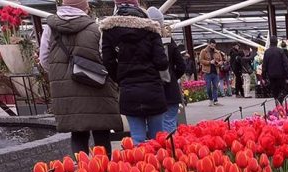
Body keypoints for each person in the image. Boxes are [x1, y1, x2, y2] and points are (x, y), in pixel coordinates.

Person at [39, 0, 122, 156]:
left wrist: (62, 73)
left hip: (64, 89)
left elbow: (44, 59)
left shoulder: (50, 28)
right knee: (101, 130)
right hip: (96, 85)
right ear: (85, 7)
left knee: (77, 133)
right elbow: (104, 56)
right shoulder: (96, 28)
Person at [101, 0, 168, 144]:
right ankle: (159, 166)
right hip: (153, 89)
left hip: (128, 90)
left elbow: (107, 61)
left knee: (137, 139)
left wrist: (120, 78)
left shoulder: (109, 30)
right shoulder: (151, 28)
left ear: (116, 6)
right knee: (158, 139)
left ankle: (141, 166)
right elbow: (162, 63)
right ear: (137, 5)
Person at [146, 7, 185, 134]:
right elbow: (181, 65)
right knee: (169, 124)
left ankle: (158, 152)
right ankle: (170, 150)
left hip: (151, 90)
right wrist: (172, 76)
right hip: (171, 90)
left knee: (154, 128)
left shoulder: (143, 41)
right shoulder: (169, 41)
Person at [262, 36, 288, 105]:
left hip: (271, 75)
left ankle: (277, 101)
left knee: (274, 90)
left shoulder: (267, 52)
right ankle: (280, 100)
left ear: (270, 43)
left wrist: (263, 77)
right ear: (277, 42)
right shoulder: (280, 51)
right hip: (281, 75)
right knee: (283, 89)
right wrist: (287, 76)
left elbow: (264, 65)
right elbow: (285, 64)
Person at [199, 39, 223, 106]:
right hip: (207, 72)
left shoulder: (217, 52)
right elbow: (200, 60)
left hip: (215, 72)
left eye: (214, 45)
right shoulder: (203, 51)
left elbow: (221, 61)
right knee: (208, 87)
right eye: (211, 45)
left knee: (215, 87)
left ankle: (215, 101)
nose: (213, 46)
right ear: (208, 44)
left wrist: (219, 63)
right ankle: (210, 99)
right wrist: (209, 62)